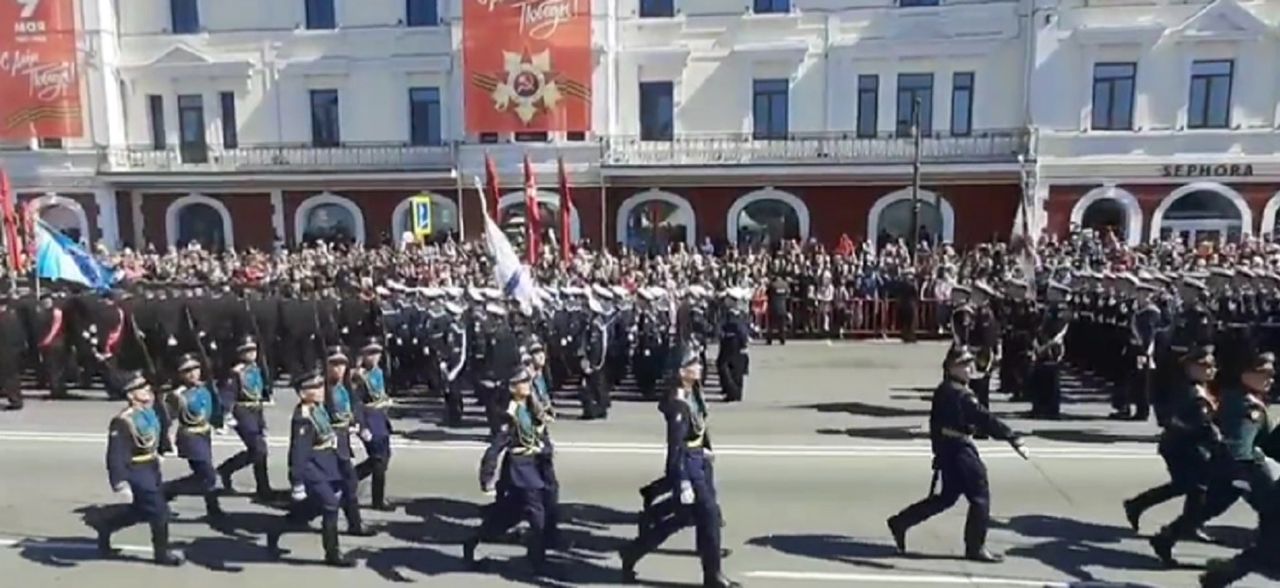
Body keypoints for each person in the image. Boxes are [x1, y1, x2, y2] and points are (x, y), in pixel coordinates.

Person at [887, 345, 1026, 563]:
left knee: (947, 497)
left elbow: (936, 424)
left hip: (948, 448)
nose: (970, 368)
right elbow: (984, 419)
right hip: (959, 449)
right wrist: (1011, 436)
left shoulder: (945, 389)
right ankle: (975, 548)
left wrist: (938, 452)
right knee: (980, 495)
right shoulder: (958, 394)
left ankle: (901, 522)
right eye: (965, 364)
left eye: (970, 363)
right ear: (952, 367)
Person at [619, 348, 740, 588]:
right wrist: (683, 481)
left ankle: (633, 551)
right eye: (694, 364)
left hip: (700, 461)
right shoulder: (677, 404)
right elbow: (676, 448)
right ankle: (712, 575)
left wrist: (705, 447)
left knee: (683, 518)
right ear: (682, 372)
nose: (700, 367)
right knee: (709, 516)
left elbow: (701, 426)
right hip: (689, 466)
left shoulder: (693, 392)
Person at [463, 367, 557, 576]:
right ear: (514, 388)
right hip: (521, 473)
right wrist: (487, 476)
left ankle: (472, 542)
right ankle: (538, 563)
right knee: (537, 517)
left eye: (527, 381)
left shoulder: (533, 408)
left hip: (536, 469)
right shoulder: (510, 414)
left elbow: (542, 437)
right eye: (522, 382)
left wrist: (547, 452)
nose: (527, 385)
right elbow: (495, 448)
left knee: (505, 518)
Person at [1146, 344, 1227, 567]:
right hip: (1184, 452)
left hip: (1193, 452)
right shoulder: (1191, 393)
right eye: (1204, 366)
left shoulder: (1199, 389)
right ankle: (1166, 537)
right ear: (1190, 367)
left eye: (1212, 365)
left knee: (1196, 497)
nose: (1210, 369)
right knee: (1199, 499)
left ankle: (1168, 535)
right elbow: (1187, 425)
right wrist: (1210, 436)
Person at [265, 370, 356, 567]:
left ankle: (276, 529)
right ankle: (333, 554)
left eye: (320, 385)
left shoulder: (318, 409)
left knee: (311, 510)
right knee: (331, 505)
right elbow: (299, 452)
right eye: (314, 387)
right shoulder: (303, 418)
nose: (320, 390)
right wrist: (297, 481)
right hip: (312, 469)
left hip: (327, 465)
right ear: (302, 393)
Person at [93, 372, 184, 566]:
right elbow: (116, 455)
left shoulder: (149, 412)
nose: (148, 390)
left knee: (142, 511)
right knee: (160, 511)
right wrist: (120, 483)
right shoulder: (123, 421)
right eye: (142, 388)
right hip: (136, 470)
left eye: (147, 387)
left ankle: (106, 525)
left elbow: (166, 421)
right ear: (130, 395)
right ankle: (161, 554)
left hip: (152, 466)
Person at [162, 353, 225, 520]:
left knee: (203, 475)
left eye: (196, 368)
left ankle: (213, 508)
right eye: (187, 370)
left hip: (205, 434)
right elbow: (167, 419)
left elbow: (214, 409)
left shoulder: (206, 388)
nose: (193, 373)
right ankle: (167, 489)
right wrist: (164, 442)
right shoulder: (177, 396)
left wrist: (219, 423)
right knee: (208, 474)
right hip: (190, 438)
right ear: (180, 374)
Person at [323, 346, 376, 536]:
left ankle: (355, 524)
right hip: (327, 447)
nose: (339, 368)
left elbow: (356, 408)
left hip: (343, 444)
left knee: (348, 484)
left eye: (342, 364)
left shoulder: (345, 388)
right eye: (334, 364)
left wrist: (361, 426)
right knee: (340, 486)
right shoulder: (320, 390)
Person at [216, 336, 275, 501]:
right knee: (259, 449)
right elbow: (227, 394)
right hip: (242, 412)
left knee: (258, 451)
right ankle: (262, 487)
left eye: (253, 350)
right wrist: (227, 414)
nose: (252, 354)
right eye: (247, 351)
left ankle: (227, 471)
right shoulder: (236, 372)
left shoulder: (256, 368)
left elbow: (260, 389)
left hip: (256, 411)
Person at [352, 338, 396, 511]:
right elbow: (356, 404)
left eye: (377, 353)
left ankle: (349, 478)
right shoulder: (359, 378)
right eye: (370, 353)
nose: (375, 357)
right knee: (378, 460)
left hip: (381, 420)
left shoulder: (378, 372)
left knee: (382, 459)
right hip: (369, 421)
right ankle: (377, 500)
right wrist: (362, 426)